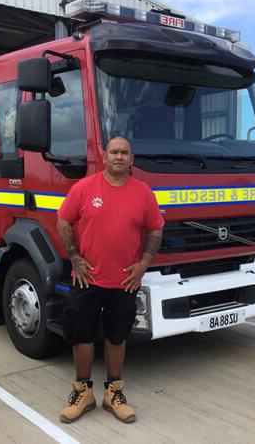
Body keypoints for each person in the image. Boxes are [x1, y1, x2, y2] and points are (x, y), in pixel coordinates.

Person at [56, 136, 164, 424]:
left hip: (124, 281)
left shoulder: (143, 193)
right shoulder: (84, 188)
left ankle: (113, 393)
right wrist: (75, 258)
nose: (119, 157)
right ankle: (83, 393)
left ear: (132, 158)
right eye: (114, 152)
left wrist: (143, 264)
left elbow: (155, 230)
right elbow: (64, 220)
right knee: (82, 336)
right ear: (103, 156)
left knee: (117, 337)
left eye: (124, 152)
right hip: (87, 279)